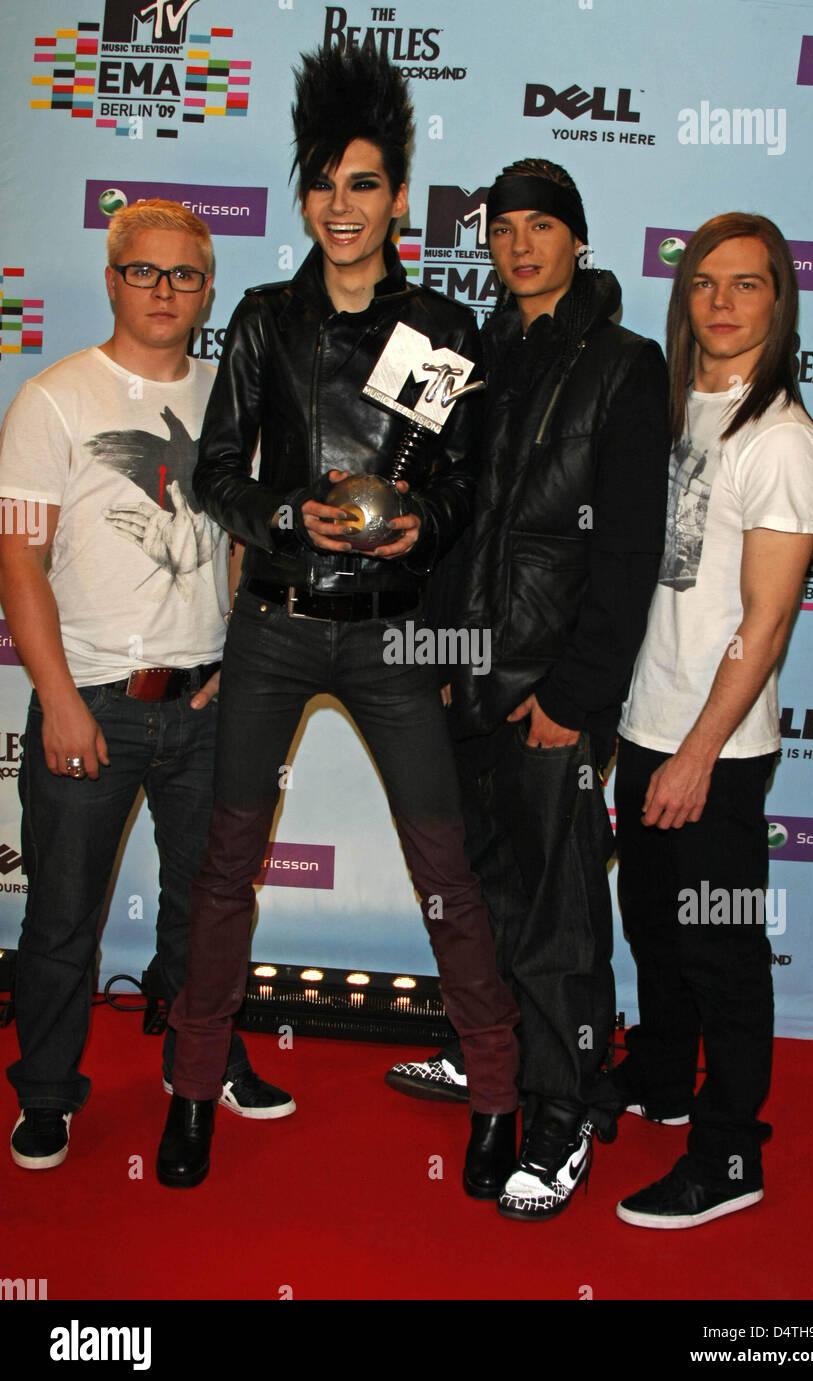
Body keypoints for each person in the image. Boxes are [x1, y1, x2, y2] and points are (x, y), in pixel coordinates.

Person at [158, 48, 519, 1191]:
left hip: (392, 634)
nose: (341, 206)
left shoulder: (443, 326)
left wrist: (421, 524)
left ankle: (497, 1097)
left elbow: (461, 485)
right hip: (271, 624)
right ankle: (192, 1089)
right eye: (322, 184)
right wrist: (281, 514)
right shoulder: (265, 319)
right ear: (302, 195)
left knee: (442, 868)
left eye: (363, 184)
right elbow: (216, 470)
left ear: (398, 196)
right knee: (225, 870)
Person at [386, 158, 670, 1221]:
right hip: (451, 674)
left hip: (547, 689)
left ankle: (565, 1106)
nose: (517, 243)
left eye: (540, 225)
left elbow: (626, 550)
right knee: (481, 892)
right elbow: (411, 485)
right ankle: (494, 1057)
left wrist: (576, 695)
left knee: (557, 917)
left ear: (578, 240)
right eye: (501, 226)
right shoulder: (463, 352)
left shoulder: (624, 365)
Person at [0, 200, 293, 1172]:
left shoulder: (229, 399)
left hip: (209, 706)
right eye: (145, 272)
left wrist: (237, 669)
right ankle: (45, 1093)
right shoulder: (52, 400)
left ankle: (203, 1061)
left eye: (186, 276)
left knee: (208, 907)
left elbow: (253, 543)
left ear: (208, 289)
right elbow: (19, 566)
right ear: (111, 278)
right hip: (91, 702)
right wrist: (63, 698)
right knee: (62, 917)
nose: (165, 291)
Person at [612, 213, 813, 1228]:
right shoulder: (673, 406)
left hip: (716, 748)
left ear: (777, 301)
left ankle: (729, 1152)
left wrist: (699, 752)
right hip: (641, 721)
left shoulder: (780, 439)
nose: (721, 302)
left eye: (745, 285)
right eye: (704, 282)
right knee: (653, 931)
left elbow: (766, 618)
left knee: (722, 953)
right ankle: (660, 1078)